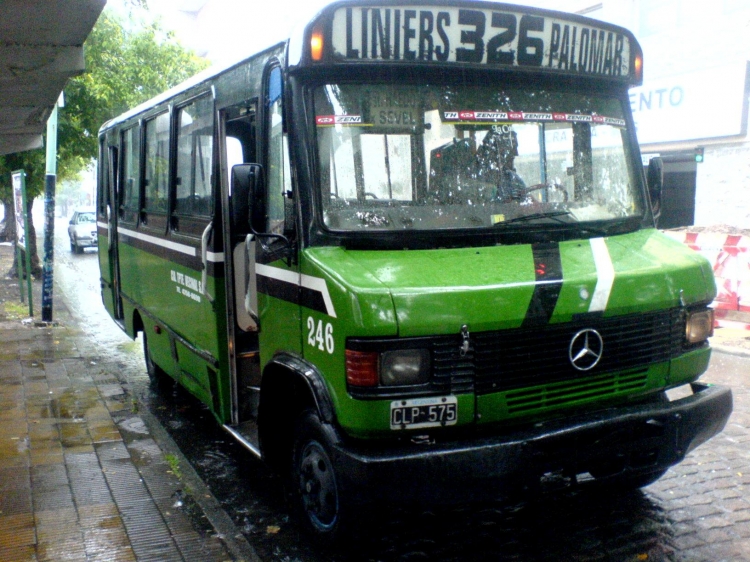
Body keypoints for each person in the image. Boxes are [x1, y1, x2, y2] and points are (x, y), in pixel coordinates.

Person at [476, 126, 527, 202]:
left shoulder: (514, 180)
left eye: (515, 148)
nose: (516, 154)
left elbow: (525, 204)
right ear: (494, 152)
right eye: (512, 149)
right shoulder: (476, 179)